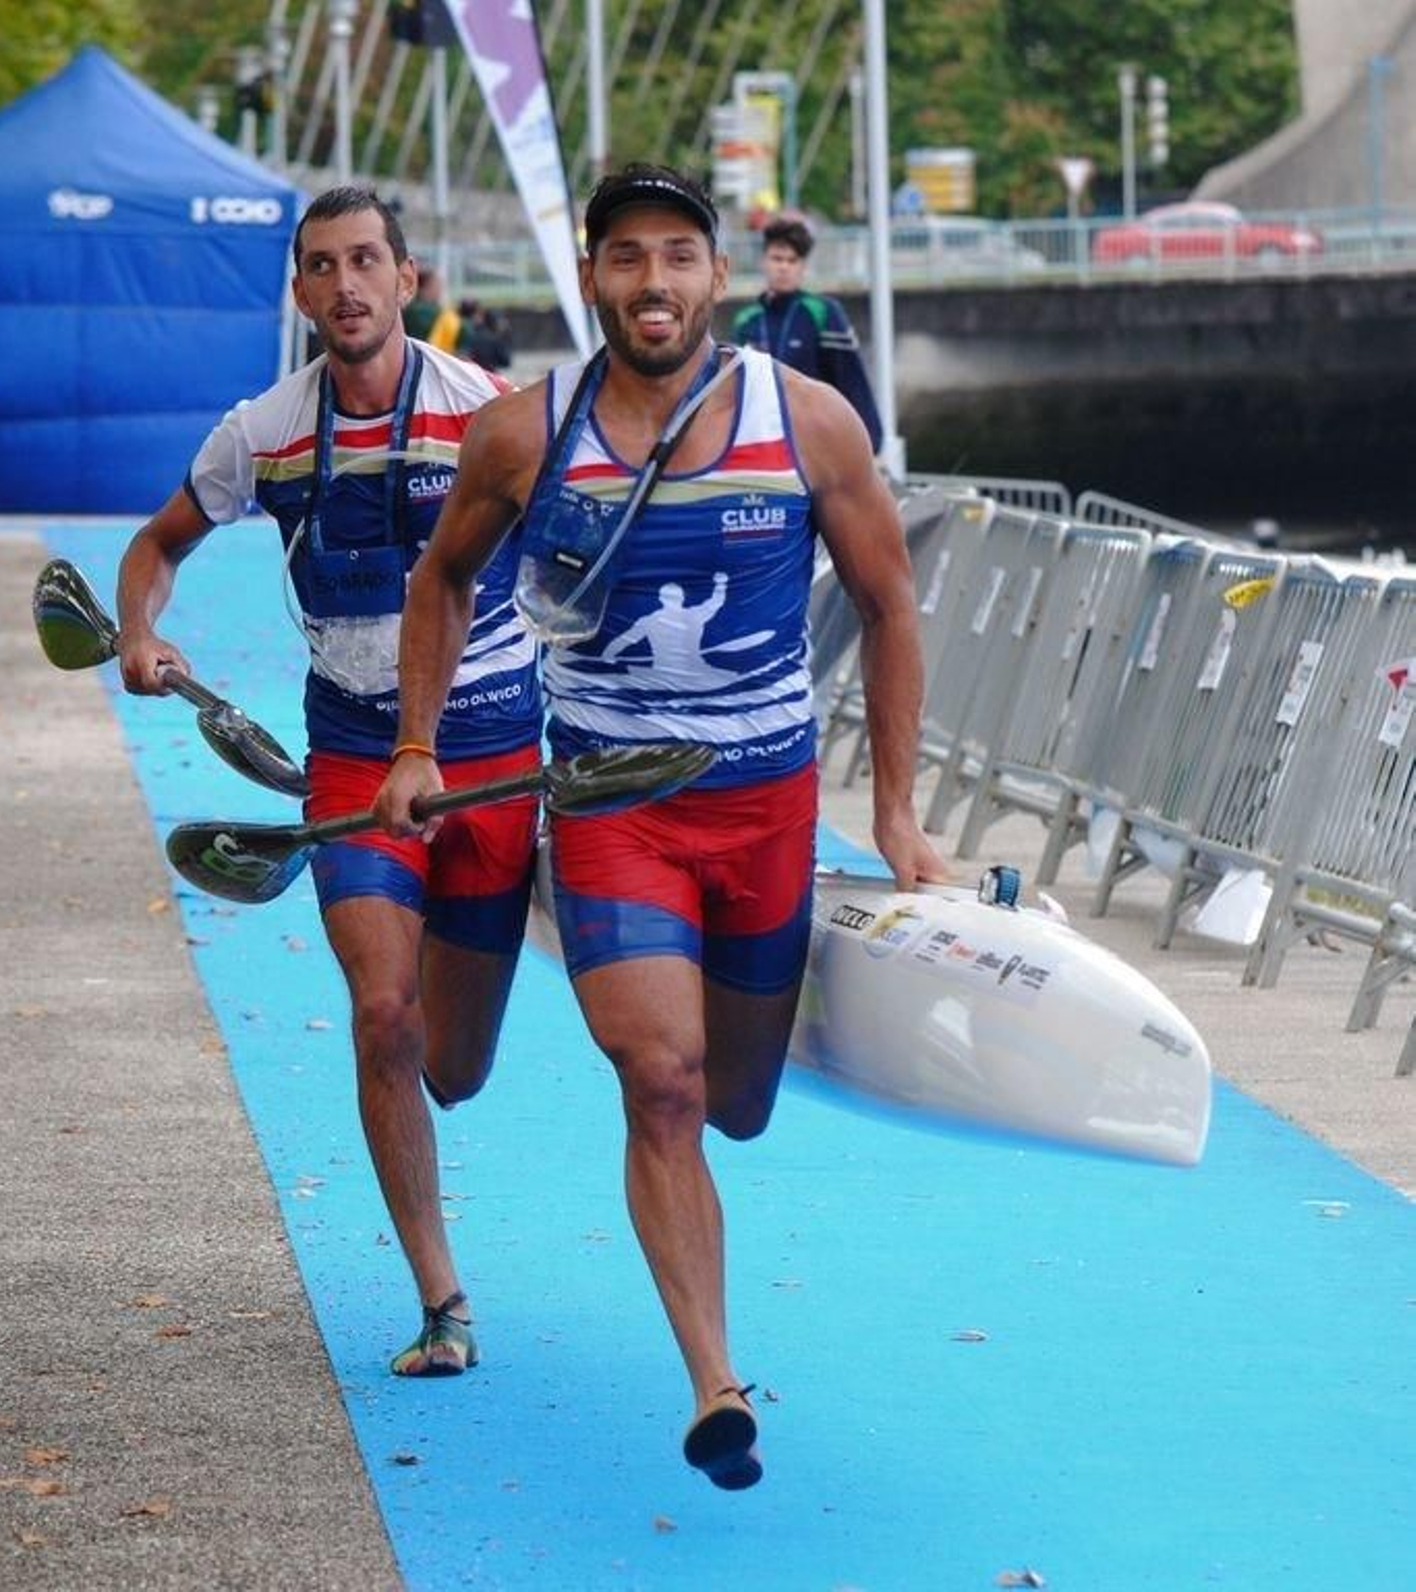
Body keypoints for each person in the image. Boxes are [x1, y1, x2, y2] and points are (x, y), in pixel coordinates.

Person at [375, 162, 947, 1487]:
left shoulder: (806, 423)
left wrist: (896, 814)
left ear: (717, 278)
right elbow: (440, 579)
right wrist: (414, 743)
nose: (653, 281)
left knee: (736, 1101)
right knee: (664, 1082)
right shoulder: (522, 435)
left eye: (678, 255)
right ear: (591, 277)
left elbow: (889, 606)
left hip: (764, 811)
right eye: (626, 256)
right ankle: (713, 1381)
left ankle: (728, 1109)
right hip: (611, 814)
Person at [115, 186, 541, 1379]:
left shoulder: (491, 414)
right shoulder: (262, 430)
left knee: (455, 1063)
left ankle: (449, 1041)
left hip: (492, 747)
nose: (345, 284)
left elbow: (590, 552)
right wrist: (139, 629)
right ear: (300, 290)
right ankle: (442, 1296)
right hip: (353, 747)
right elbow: (156, 544)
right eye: (321, 266)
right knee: (383, 1013)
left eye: (365, 261)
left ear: (408, 278)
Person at [730, 214, 884, 455]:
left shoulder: (824, 312)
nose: (783, 267)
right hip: (764, 446)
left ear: (803, 266)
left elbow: (852, 380)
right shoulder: (746, 319)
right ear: (764, 261)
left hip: (816, 446)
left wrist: (871, 443)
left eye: (792, 260)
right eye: (777, 258)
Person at [403, 264, 464, 353]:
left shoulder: (405, 309)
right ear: (426, 287)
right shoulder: (439, 313)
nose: (440, 290)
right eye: (437, 286)